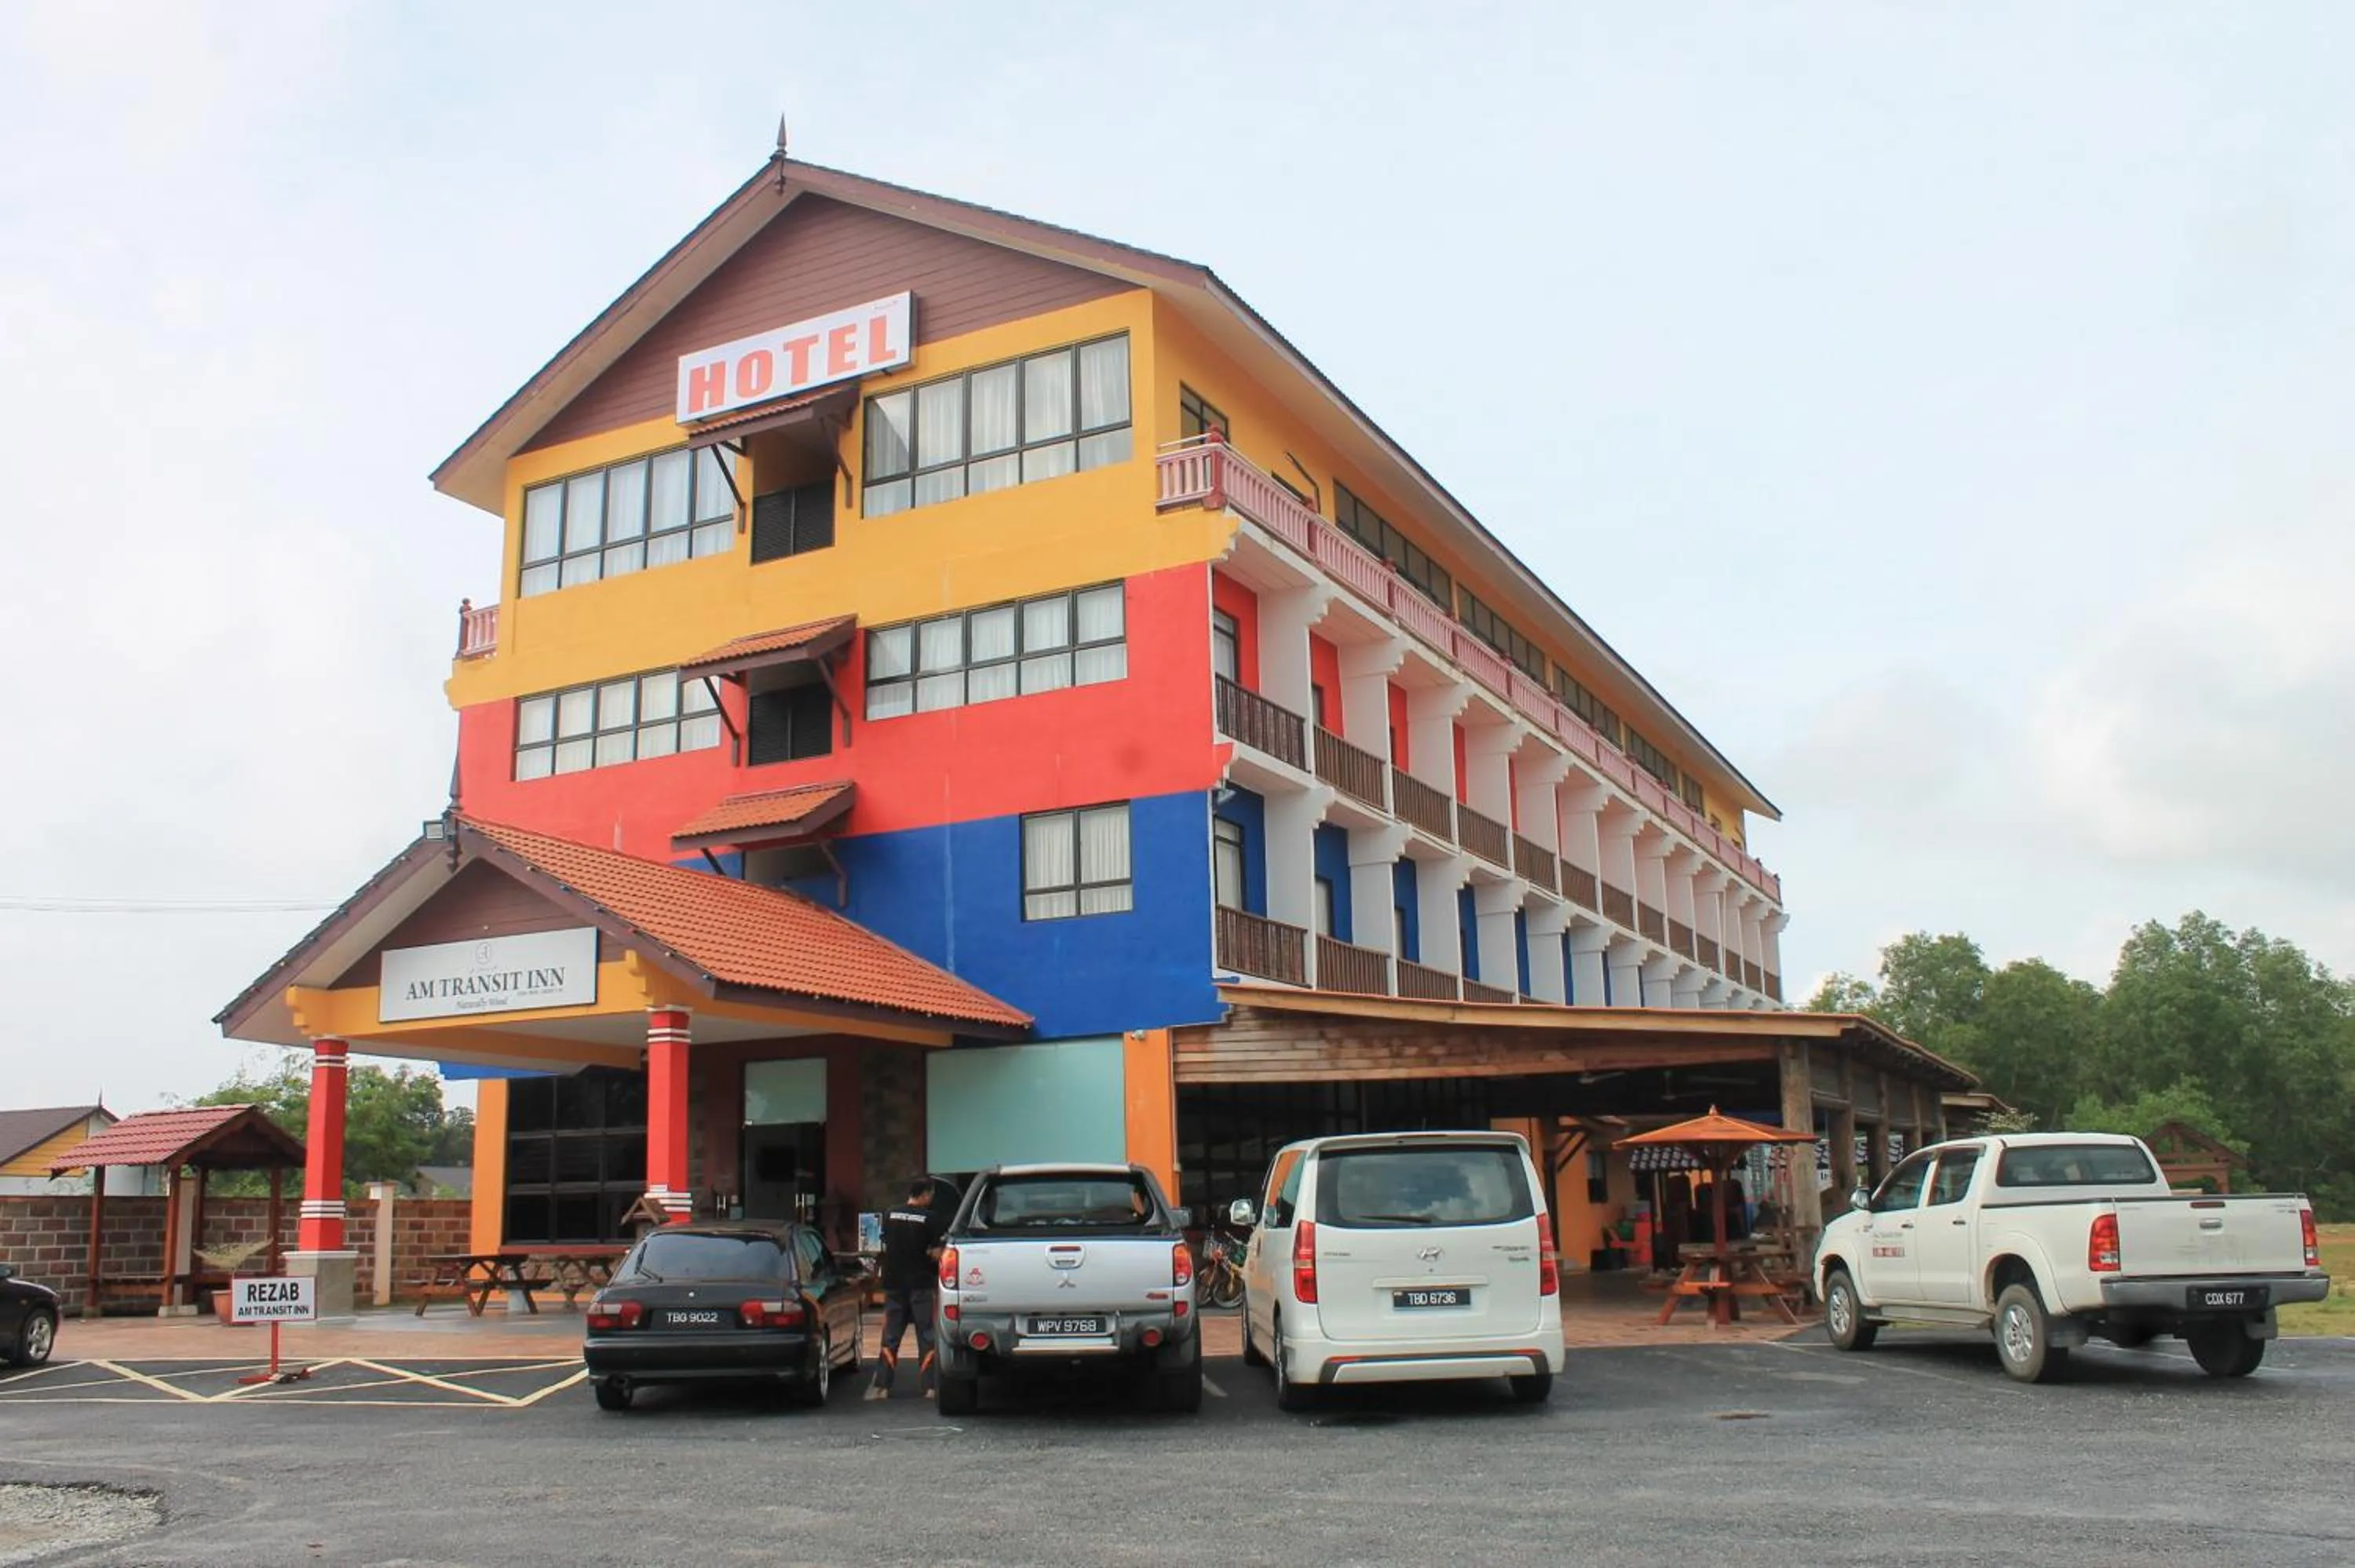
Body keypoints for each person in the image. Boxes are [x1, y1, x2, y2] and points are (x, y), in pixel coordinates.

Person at [867, 1177, 951, 1401]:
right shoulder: (931, 1219)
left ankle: (882, 1387)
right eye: (930, 1194)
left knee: (891, 1335)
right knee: (926, 1335)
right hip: (921, 1285)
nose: (931, 1198)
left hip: (894, 1284)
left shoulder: (889, 1214)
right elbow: (936, 1253)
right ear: (925, 1194)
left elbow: (882, 1244)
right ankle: (930, 1388)